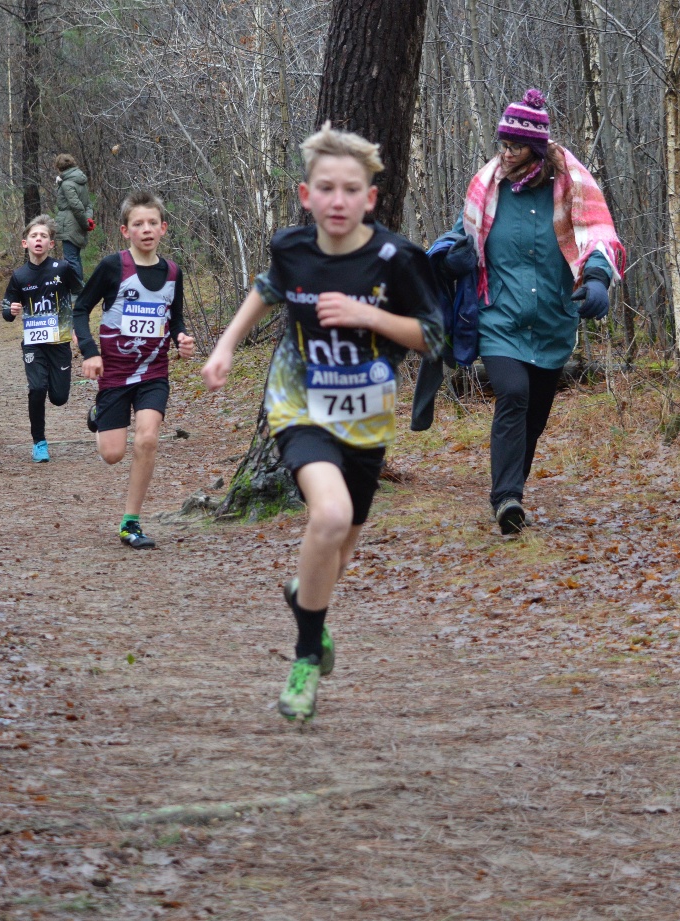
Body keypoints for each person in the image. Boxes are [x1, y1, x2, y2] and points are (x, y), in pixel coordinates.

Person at [201, 123, 443, 723]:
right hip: (299, 403)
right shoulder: (293, 248)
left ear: (370, 199)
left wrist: (369, 314)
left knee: (341, 542)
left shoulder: (396, 259)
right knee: (329, 516)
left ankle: (307, 602)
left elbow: (436, 337)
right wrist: (226, 344)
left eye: (351, 189)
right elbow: (268, 287)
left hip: (365, 417)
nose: (338, 201)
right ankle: (306, 659)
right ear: (306, 196)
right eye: (326, 188)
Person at [435, 89, 625, 535]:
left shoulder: (572, 188)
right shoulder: (488, 190)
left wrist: (597, 279)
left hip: (553, 321)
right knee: (513, 394)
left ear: (535, 149)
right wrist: (451, 261)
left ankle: (511, 490)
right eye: (502, 145)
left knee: (535, 415)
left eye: (514, 146)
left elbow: (597, 236)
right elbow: (458, 237)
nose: (505, 154)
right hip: (499, 318)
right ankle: (506, 498)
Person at [74, 191, 195, 548]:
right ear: (125, 231)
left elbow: (174, 319)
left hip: (153, 373)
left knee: (146, 438)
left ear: (163, 229)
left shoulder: (173, 272)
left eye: (152, 223)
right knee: (113, 454)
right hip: (113, 373)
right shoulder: (114, 267)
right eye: (138, 224)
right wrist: (90, 352)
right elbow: (81, 309)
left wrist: (181, 338)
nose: (146, 229)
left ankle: (131, 522)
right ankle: (98, 413)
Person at [2, 215, 80, 462]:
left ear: (51, 244)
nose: (39, 239)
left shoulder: (63, 269)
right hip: (34, 343)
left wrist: (79, 328)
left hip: (59, 343)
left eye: (44, 236)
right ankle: (39, 443)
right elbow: (7, 308)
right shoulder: (20, 276)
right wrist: (11, 310)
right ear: (25, 243)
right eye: (34, 236)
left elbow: (82, 296)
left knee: (59, 398)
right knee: (37, 389)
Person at [54, 153, 94, 283]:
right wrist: (88, 220)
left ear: (59, 167)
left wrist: (85, 223)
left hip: (70, 225)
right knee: (75, 258)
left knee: (70, 259)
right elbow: (88, 205)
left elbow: (76, 206)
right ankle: (80, 289)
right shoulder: (80, 181)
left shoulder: (67, 184)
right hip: (77, 223)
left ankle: (77, 291)